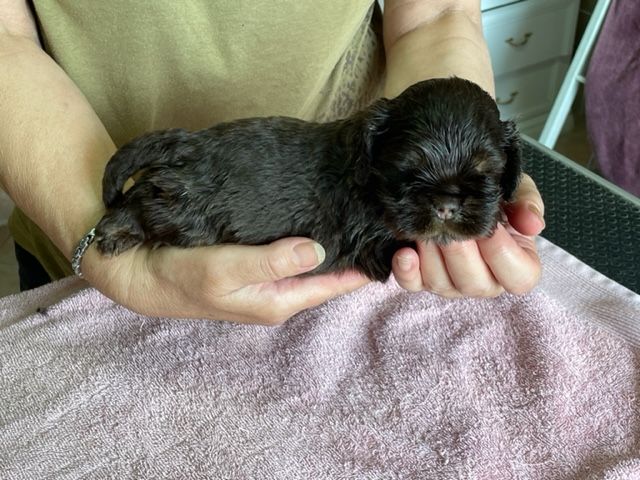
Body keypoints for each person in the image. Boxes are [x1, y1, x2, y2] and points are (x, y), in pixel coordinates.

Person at [0, 0, 545, 325]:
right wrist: (90, 230)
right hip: (68, 202)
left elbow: (437, 13)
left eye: (480, 177)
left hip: (325, 235)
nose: (448, 203)